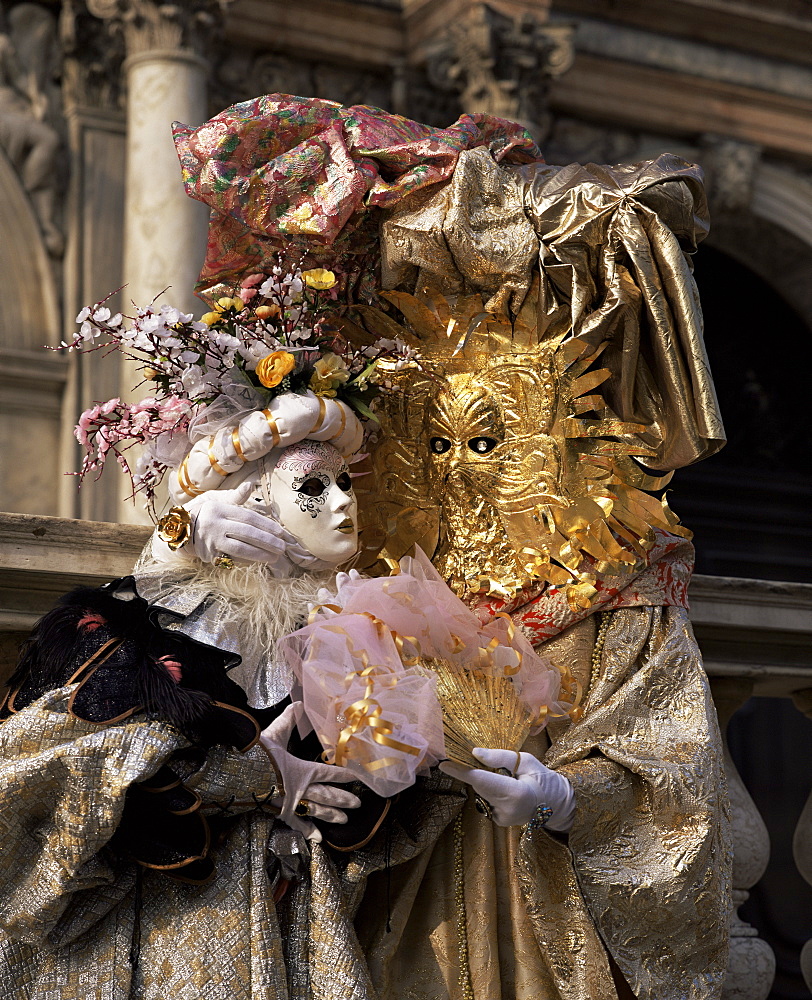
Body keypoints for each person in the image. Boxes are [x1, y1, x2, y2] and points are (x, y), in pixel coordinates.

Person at [170, 94, 733, 1000]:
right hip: (396, 907)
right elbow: (227, 617)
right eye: (436, 445)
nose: (461, 472)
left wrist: (566, 797)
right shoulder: (371, 569)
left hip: (561, 923)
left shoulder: (616, 585)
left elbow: (675, 770)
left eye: (489, 441)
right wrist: (188, 525)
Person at [0, 395, 370, 1000]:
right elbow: (72, 762)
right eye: (312, 486)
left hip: (301, 917)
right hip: (176, 926)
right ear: (250, 502)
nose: (344, 501)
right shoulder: (168, 624)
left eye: (346, 482)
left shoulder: (355, 627)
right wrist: (174, 543)